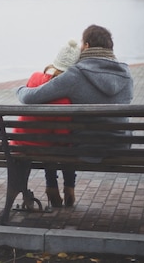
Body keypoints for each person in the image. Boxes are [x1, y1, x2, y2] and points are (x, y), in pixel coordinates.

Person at [17, 24, 134, 208]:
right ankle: (68, 187)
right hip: (119, 146)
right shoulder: (126, 74)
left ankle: (54, 186)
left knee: (57, 134)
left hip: (86, 148)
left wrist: (21, 89)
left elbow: (33, 97)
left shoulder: (76, 74)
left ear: (86, 46)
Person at [14, 39, 81, 208]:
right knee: (63, 145)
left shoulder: (35, 77)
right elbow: (62, 138)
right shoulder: (65, 100)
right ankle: (68, 187)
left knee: (48, 142)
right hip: (43, 147)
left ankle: (52, 187)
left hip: (19, 143)